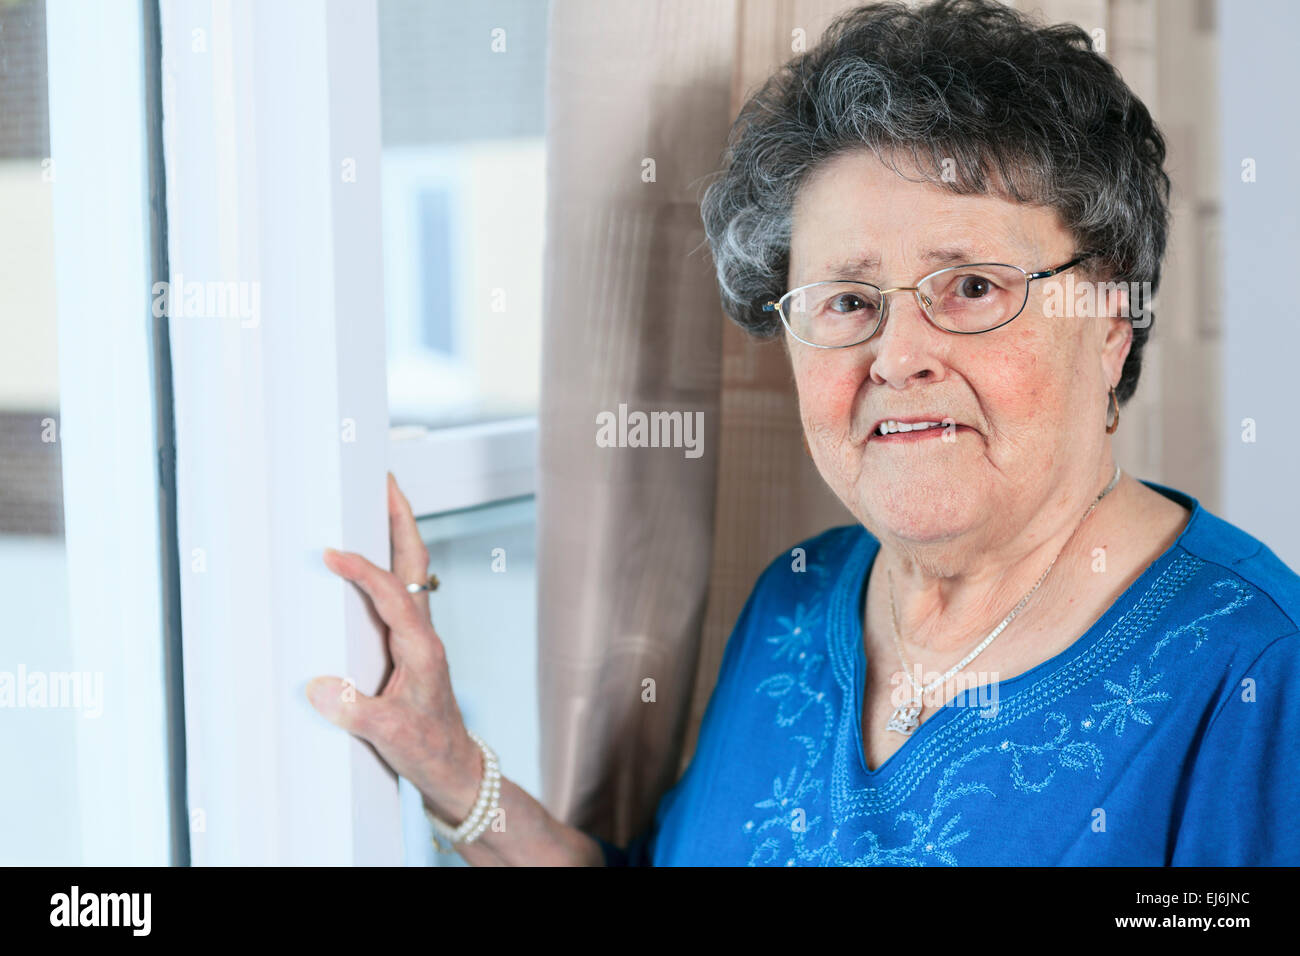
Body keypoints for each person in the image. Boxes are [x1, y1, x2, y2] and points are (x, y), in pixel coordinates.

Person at [307, 0, 1300, 865]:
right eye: (844, 299)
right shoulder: (797, 600)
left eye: (969, 286)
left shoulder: (1257, 678)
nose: (897, 353)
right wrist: (443, 759)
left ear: (1109, 322)